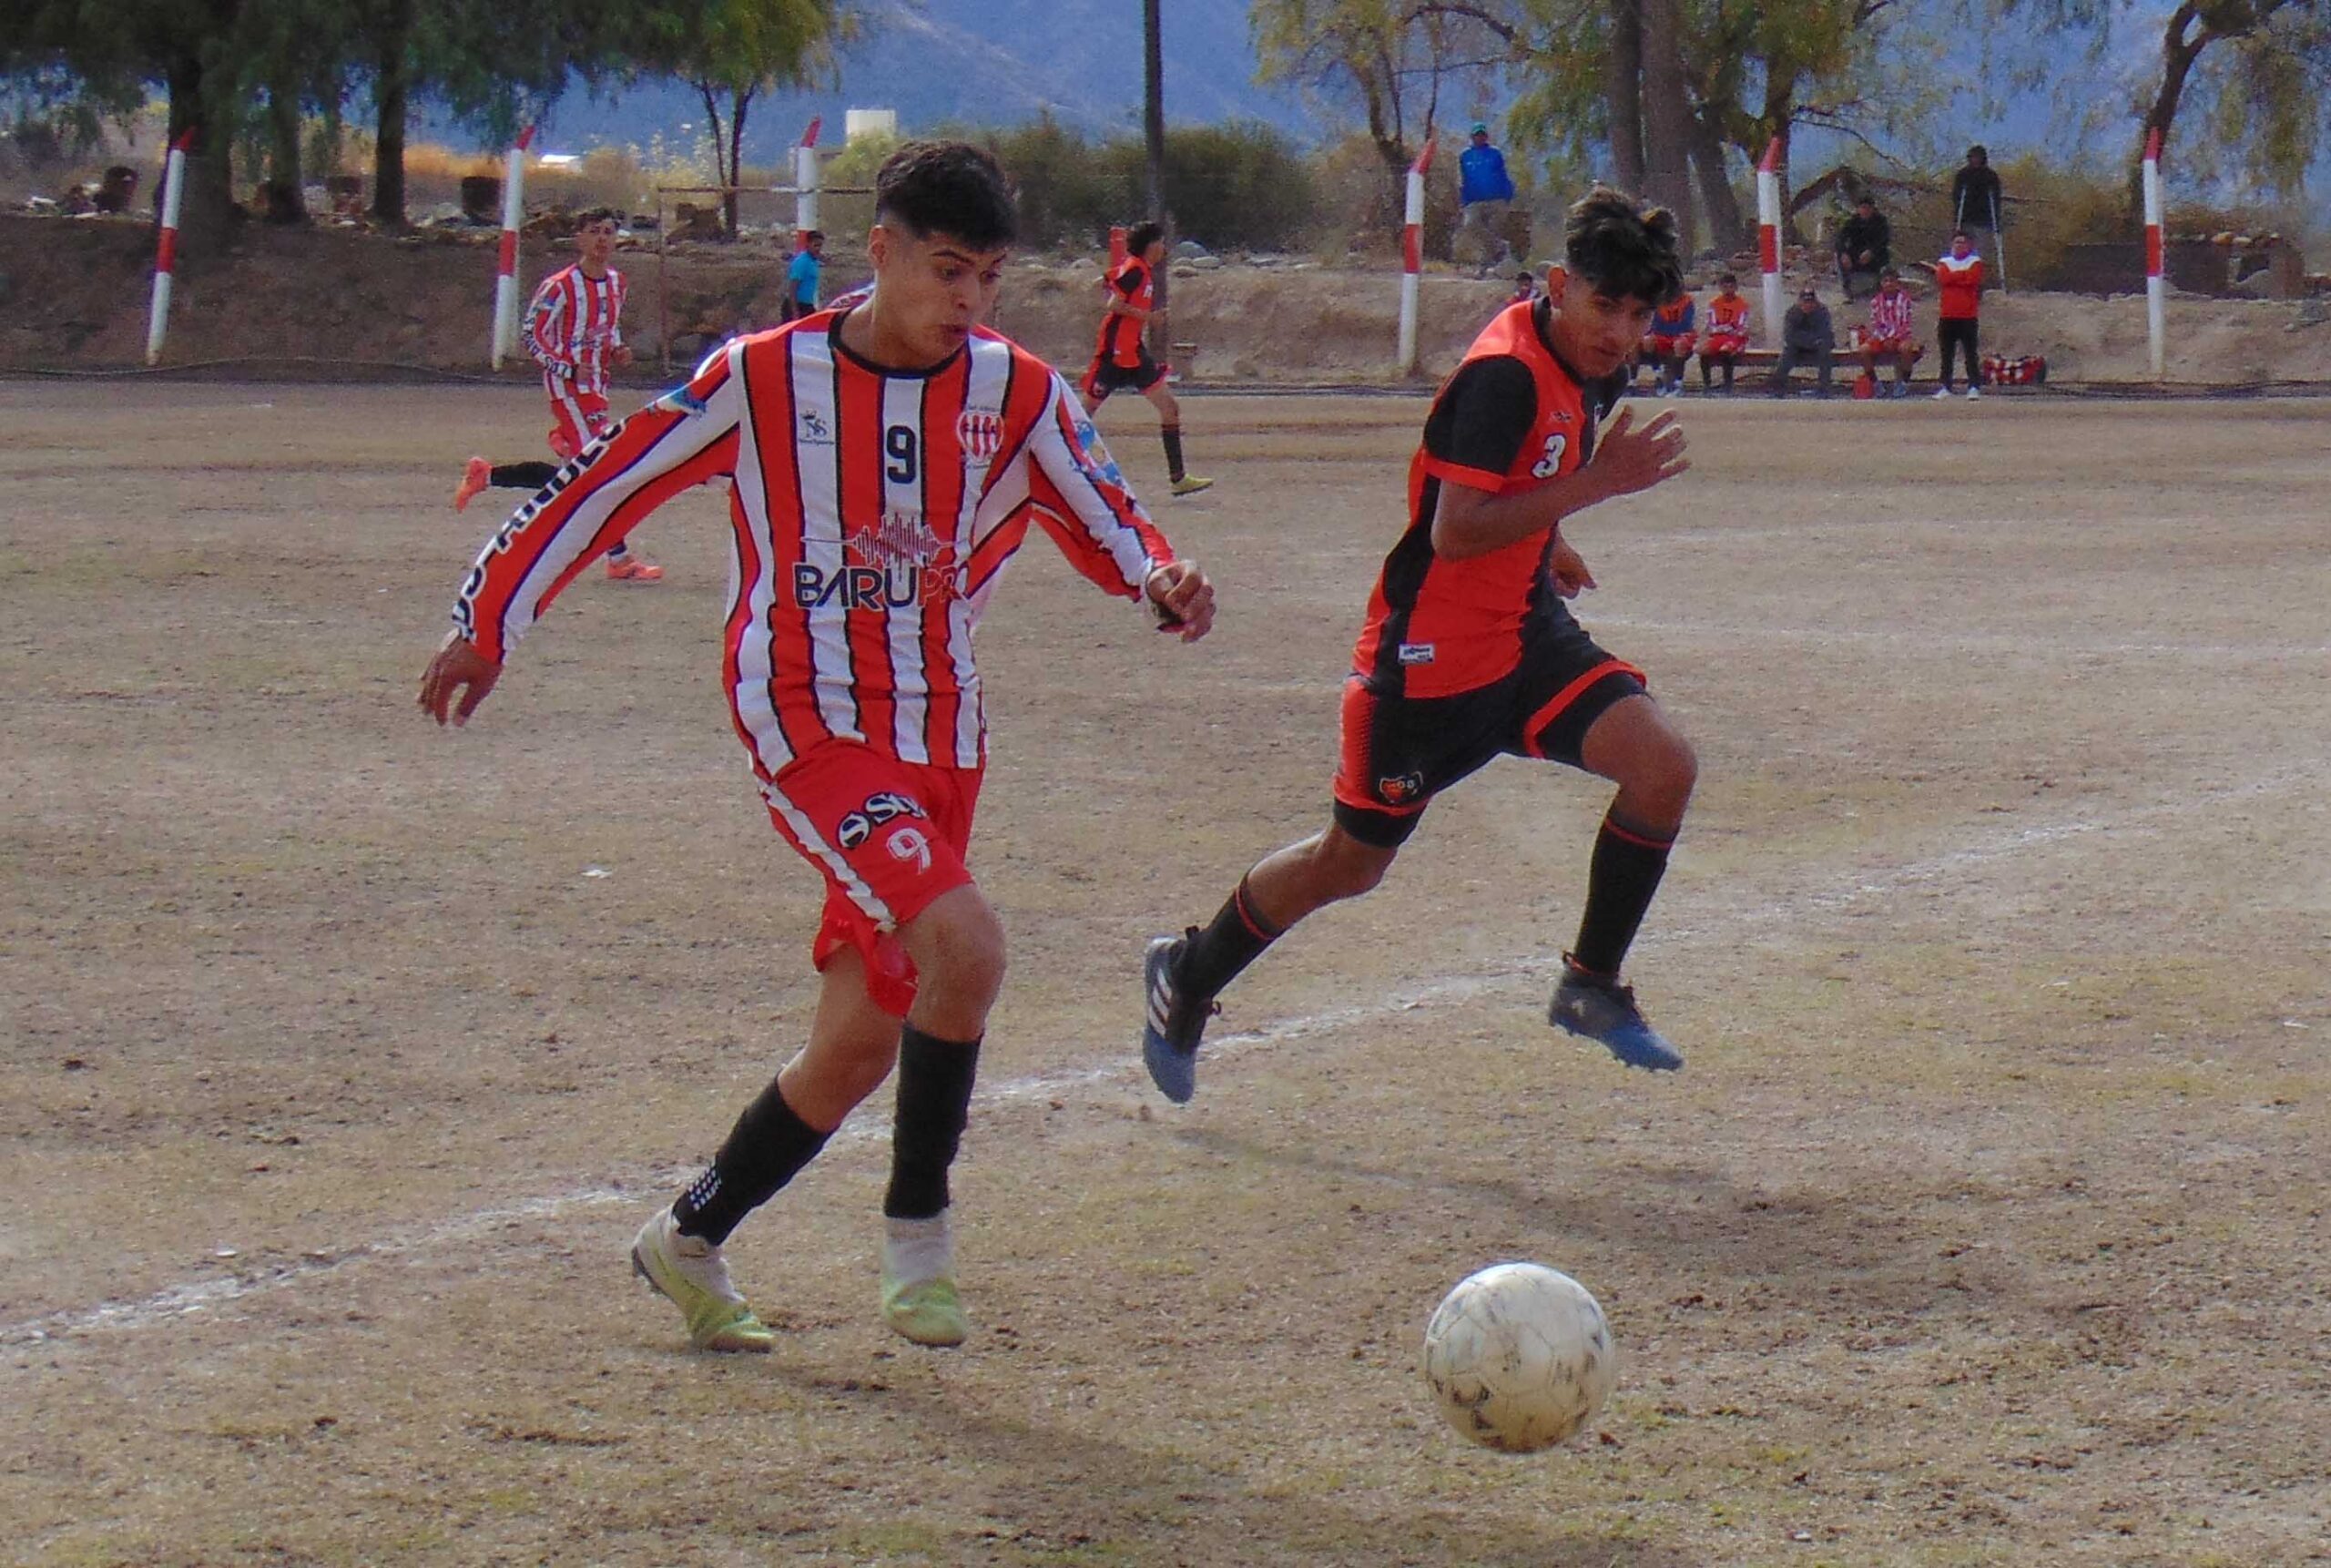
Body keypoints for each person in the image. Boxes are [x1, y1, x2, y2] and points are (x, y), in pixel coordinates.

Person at [417, 141, 1217, 1353]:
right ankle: (919, 1235)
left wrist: (1161, 577)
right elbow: (603, 486)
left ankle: (685, 1237)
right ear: (881, 251)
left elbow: (1106, 513)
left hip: (941, 733)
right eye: (947, 270)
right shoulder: (759, 379)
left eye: (989, 276)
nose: (969, 300)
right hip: (809, 718)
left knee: (857, 1043)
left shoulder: (1016, 391)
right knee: (969, 942)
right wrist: (488, 622)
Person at [1136, 188, 1696, 1105]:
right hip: (1427, 666)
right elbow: (1456, 529)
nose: (1620, 333)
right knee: (1347, 865)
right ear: (1558, 286)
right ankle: (1187, 974)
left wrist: (1547, 540)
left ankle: (1589, 986)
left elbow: (1512, 480)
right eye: (1605, 307)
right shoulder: (1505, 375)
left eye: (1639, 315)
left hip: (1520, 635)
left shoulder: (1582, 364)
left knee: (1662, 768)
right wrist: (1591, 489)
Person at [452, 208, 661, 582]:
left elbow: (605, 327)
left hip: (597, 387)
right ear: (579, 238)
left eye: (609, 232)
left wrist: (618, 348)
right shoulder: (560, 286)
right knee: (600, 472)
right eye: (594, 231)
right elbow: (532, 336)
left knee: (575, 478)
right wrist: (566, 367)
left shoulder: (617, 282)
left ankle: (488, 476)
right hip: (567, 391)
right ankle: (619, 558)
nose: (602, 239)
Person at [1079, 220, 1213, 497]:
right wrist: (1149, 317)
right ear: (1152, 244)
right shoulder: (1136, 270)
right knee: (1081, 418)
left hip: (1134, 353)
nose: (1165, 248)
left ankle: (1178, 478)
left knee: (1170, 408)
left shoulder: (1141, 270)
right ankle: (1065, 472)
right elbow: (1113, 304)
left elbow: (1107, 281)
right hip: (1114, 354)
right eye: (1162, 242)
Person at [1457, 122, 1517, 276]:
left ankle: (1484, 269)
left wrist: (1507, 196)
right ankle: (1500, 246)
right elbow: (1463, 178)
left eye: (1482, 135)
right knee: (1470, 224)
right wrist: (1463, 200)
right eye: (1477, 135)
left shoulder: (1495, 153)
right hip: (1474, 200)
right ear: (1472, 137)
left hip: (1496, 199)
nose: (1480, 138)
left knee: (1492, 231)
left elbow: (1503, 175)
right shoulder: (1465, 156)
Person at [1931, 231, 1985, 399]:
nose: (1959, 245)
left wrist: (1954, 278)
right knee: (1946, 353)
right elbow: (1943, 279)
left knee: (1970, 353)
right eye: (1956, 242)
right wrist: (1960, 277)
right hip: (1947, 314)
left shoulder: (1975, 262)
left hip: (1968, 315)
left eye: (1963, 242)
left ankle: (1974, 386)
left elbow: (1972, 280)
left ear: (1969, 245)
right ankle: (1946, 386)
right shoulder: (1944, 262)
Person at [1858, 268, 1919, 397]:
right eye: (1885, 281)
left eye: (1892, 281)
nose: (1888, 284)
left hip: (1900, 336)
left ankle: (1904, 383)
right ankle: (1875, 383)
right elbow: (1876, 323)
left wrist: (1894, 338)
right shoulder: (1876, 301)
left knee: (1906, 349)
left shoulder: (1904, 299)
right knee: (1864, 350)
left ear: (1897, 283)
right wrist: (1884, 339)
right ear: (1881, 283)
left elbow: (1905, 323)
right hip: (1881, 337)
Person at [1771, 287, 1835, 397]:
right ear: (1800, 302)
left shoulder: (1822, 312)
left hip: (1817, 346)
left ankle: (1824, 389)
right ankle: (1777, 389)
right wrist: (1810, 340)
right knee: (1786, 354)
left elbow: (1826, 333)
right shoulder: (1792, 313)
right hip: (1799, 347)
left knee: (1825, 353)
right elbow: (1789, 336)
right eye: (1805, 301)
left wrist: (1814, 341)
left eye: (1811, 302)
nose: (1808, 305)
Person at [1699, 273, 1750, 393]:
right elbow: (1711, 325)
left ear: (1736, 287)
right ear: (1720, 287)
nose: (1728, 290)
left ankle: (1728, 385)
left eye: (1731, 287)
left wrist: (1736, 331)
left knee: (1726, 350)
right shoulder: (1714, 303)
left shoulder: (1742, 304)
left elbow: (1743, 326)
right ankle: (1707, 384)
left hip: (1735, 337)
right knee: (1704, 350)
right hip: (1718, 335)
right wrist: (1719, 329)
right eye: (1725, 287)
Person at [1834, 195, 1891, 300]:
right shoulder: (1852, 222)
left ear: (1873, 209)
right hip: (1857, 255)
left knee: (1885, 255)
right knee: (1839, 255)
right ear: (1858, 209)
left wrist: (1871, 251)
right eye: (1863, 207)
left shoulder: (1881, 221)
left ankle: (1880, 284)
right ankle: (1847, 288)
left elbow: (1884, 240)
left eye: (1868, 208)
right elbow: (1840, 239)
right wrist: (1844, 253)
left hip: (1875, 256)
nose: (1865, 211)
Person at [1641, 288, 1696, 396]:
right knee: (1647, 341)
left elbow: (1686, 324)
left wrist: (1671, 331)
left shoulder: (1687, 302)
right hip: (1664, 335)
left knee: (1680, 344)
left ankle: (1677, 383)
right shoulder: (1659, 302)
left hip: (1681, 334)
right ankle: (1658, 372)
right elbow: (1656, 324)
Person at [1951, 146, 2005, 239]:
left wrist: (1996, 220)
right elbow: (1957, 196)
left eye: (1978, 157)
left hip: (1984, 218)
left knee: (1981, 244)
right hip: (1966, 218)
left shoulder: (1990, 176)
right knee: (1965, 243)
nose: (1975, 160)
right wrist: (1957, 216)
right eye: (1973, 157)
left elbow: (1996, 199)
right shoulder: (1963, 175)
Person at [779, 229, 825, 323]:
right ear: (808, 244)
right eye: (815, 245)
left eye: (820, 245)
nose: (818, 248)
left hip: (807, 306)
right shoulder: (802, 261)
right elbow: (792, 288)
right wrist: (795, 312)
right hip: (796, 306)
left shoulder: (814, 262)